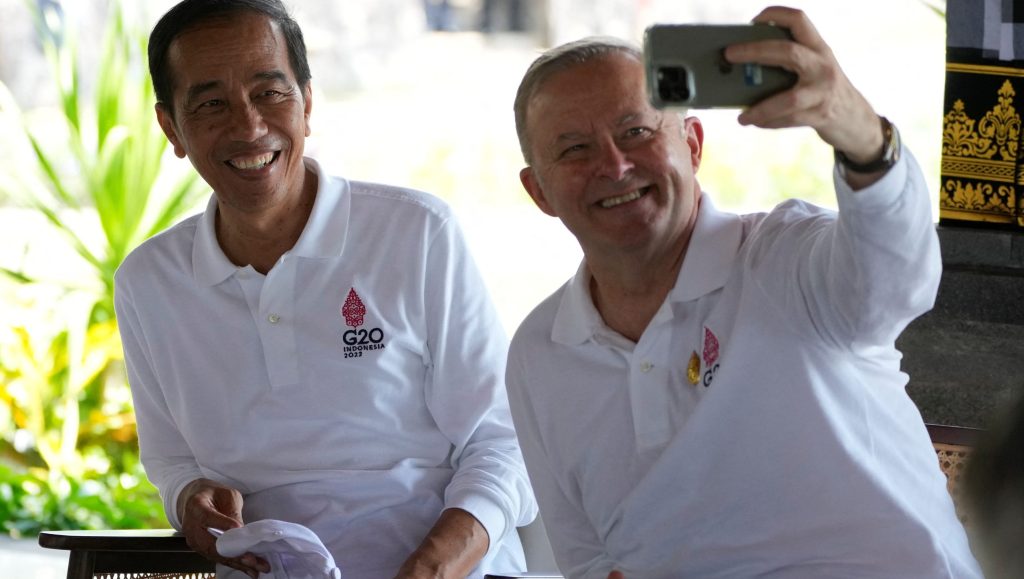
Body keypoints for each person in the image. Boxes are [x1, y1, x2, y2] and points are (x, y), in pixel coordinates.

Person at [506, 6, 981, 578]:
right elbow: (586, 560)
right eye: (574, 149)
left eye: (636, 131)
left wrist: (858, 132)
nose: (614, 164)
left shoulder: (785, 260)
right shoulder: (539, 352)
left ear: (694, 144)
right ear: (540, 192)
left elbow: (899, 279)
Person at [113, 1, 536, 577]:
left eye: (270, 93)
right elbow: (172, 460)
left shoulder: (415, 233)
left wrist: (431, 568)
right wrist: (191, 498)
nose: (248, 126)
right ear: (172, 129)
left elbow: (502, 440)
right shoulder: (149, 282)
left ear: (307, 104)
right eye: (212, 104)